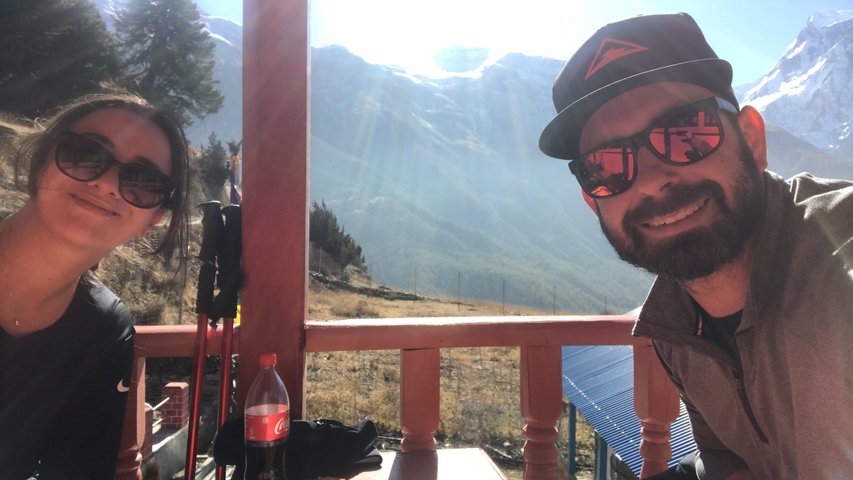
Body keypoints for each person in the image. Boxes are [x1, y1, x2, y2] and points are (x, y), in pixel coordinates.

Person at [538, 12, 853, 480]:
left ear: (751, 140)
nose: (650, 183)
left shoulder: (837, 259)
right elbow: (735, 466)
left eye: (685, 134)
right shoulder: (676, 322)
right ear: (591, 199)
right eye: (606, 166)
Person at [0, 92, 190, 479]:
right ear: (41, 164)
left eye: (143, 180)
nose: (106, 183)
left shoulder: (103, 331)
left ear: (150, 222)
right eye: (85, 154)